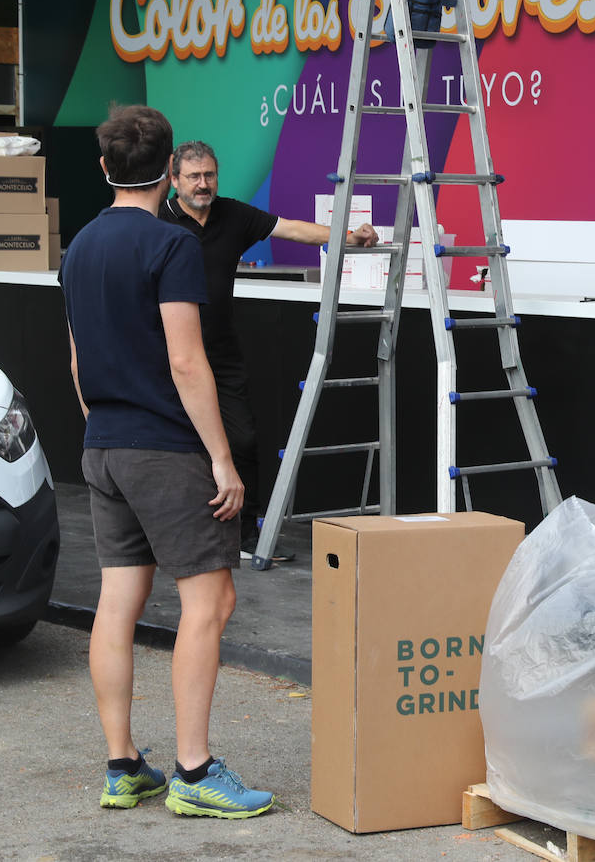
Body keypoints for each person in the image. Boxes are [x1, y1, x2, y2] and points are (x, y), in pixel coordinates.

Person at [60, 105, 273, 818]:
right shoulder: (171, 245)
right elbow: (188, 360)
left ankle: (124, 768)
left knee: (117, 602)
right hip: (166, 447)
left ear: (104, 169)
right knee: (208, 601)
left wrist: (104, 427)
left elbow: (78, 359)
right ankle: (193, 770)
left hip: (103, 444)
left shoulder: (81, 245)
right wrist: (222, 458)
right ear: (167, 172)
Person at [157, 141, 376, 558]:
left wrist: (348, 237)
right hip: (167, 352)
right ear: (174, 180)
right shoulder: (156, 222)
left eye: (209, 175)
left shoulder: (233, 214)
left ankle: (243, 537)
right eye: (194, 177)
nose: (203, 184)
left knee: (243, 439)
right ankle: (174, 538)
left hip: (220, 354)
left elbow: (292, 228)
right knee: (173, 445)